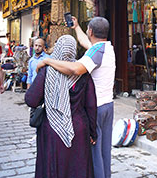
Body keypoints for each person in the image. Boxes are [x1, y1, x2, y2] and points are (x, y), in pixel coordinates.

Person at [37, 16, 115, 178]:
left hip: (97, 108)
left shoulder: (96, 51)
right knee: (105, 151)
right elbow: (85, 43)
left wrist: (49, 62)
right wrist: (77, 26)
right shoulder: (106, 48)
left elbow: (76, 69)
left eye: (87, 30)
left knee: (95, 154)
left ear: (91, 31)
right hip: (108, 105)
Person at [25, 35, 97, 178]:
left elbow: (31, 100)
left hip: (51, 129)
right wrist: (93, 132)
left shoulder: (47, 71)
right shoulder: (82, 73)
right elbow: (91, 106)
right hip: (78, 129)